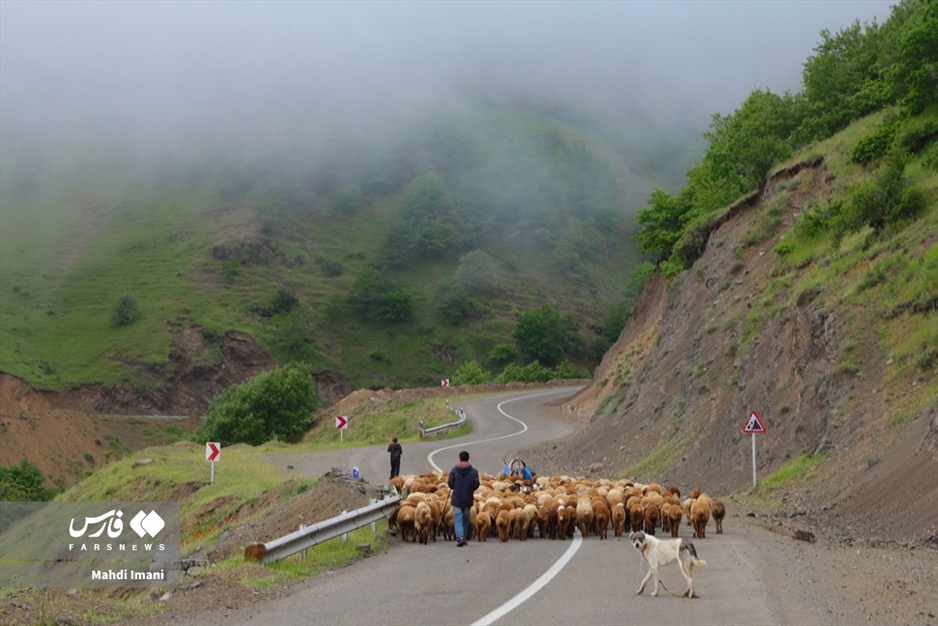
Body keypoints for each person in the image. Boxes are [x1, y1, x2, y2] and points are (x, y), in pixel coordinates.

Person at [447, 450, 479, 547]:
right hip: (468, 498)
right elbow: (476, 484)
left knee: (458, 518)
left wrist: (455, 487)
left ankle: (460, 537)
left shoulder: (454, 470)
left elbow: (450, 483)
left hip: (457, 498)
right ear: (468, 458)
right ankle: (463, 536)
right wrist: (470, 489)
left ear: (460, 458)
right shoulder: (474, 471)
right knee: (466, 518)